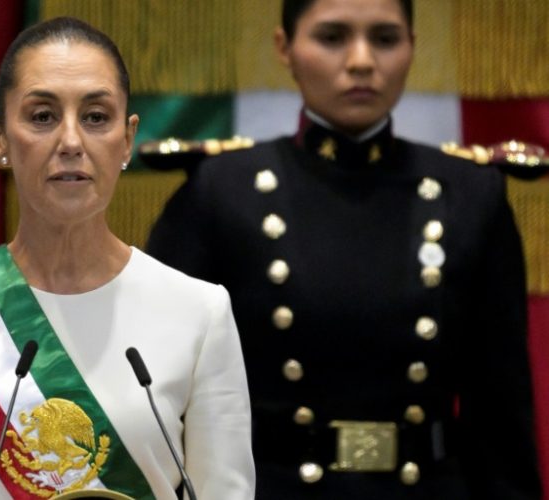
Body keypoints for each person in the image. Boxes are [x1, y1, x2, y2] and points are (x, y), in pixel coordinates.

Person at [147, 0, 542, 498]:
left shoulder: (469, 194)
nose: (360, 60)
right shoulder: (222, 190)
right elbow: (164, 394)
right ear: (284, 48)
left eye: (384, 38)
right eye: (332, 37)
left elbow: (500, 413)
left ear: (412, 48)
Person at [0, 17, 255, 500]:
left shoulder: (200, 313)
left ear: (128, 138)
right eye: (42, 116)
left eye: (96, 117)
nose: (71, 142)